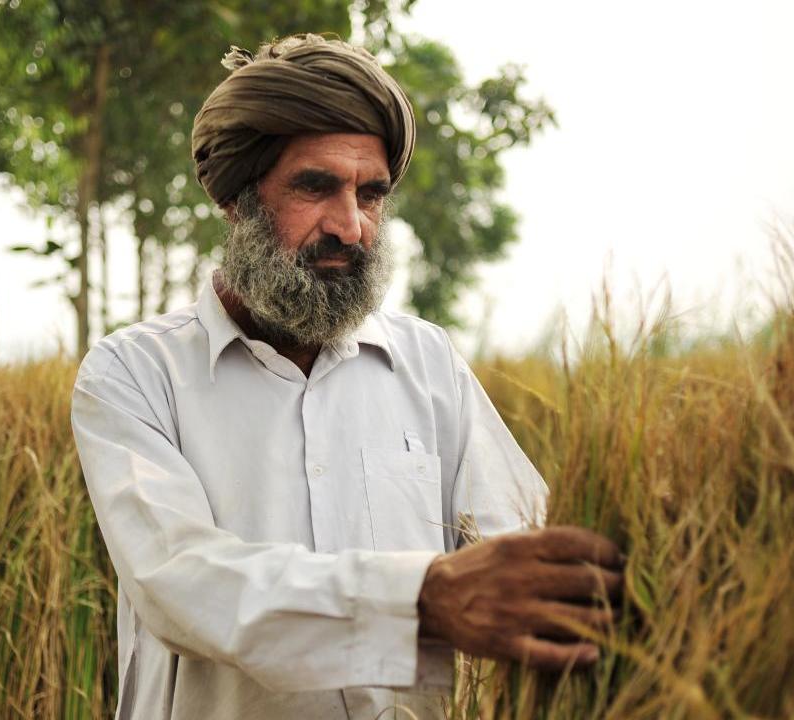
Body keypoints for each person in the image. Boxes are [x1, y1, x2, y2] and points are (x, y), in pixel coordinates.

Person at [70, 34, 624, 720]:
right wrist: (425, 597)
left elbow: (516, 546)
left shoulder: (428, 365)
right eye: (316, 187)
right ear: (237, 201)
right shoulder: (133, 375)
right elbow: (179, 585)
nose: (352, 226)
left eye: (371, 194)